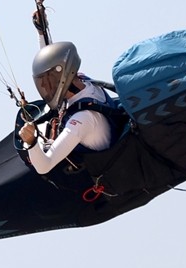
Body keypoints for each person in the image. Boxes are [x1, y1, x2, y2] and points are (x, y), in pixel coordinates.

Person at [18, 41, 114, 175]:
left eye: (47, 80)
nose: (45, 86)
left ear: (61, 77)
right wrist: (41, 31)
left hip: (94, 174)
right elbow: (55, 60)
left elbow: (44, 166)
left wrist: (31, 142)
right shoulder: (84, 81)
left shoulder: (82, 119)